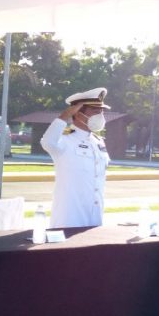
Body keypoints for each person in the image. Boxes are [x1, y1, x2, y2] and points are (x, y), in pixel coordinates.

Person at [41, 87, 111, 228]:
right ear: (77, 113)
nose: (100, 115)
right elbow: (47, 142)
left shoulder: (98, 142)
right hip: (70, 218)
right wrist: (63, 117)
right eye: (95, 111)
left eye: (101, 111)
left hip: (95, 217)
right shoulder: (65, 141)